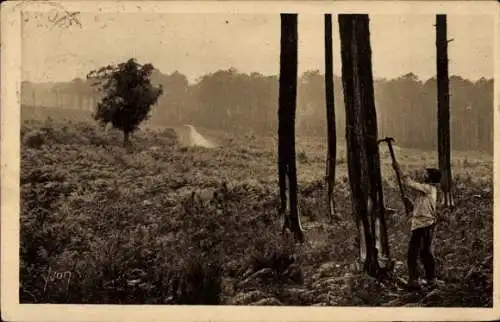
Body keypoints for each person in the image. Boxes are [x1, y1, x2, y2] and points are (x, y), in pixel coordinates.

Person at [393, 162, 443, 290]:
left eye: (426, 174)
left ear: (430, 179)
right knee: (423, 252)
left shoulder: (429, 188)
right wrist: (409, 203)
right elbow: (418, 209)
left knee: (415, 253)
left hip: (423, 225)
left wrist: (399, 170)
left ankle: (416, 280)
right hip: (422, 224)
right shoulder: (426, 192)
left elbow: (409, 183)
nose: (423, 175)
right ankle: (428, 279)